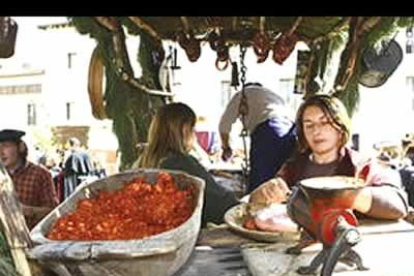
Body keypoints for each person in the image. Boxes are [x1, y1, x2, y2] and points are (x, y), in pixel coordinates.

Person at [250, 95, 408, 234]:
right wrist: (262, 193)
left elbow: (398, 205)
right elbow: (255, 205)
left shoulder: (362, 165)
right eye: (309, 125)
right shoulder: (293, 166)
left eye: (324, 122)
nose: (316, 131)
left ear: (341, 127)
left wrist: (344, 195)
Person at [136, 102, 239, 227]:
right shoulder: (181, 163)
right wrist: (245, 206)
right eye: (193, 130)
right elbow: (220, 206)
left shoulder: (143, 160)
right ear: (185, 130)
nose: (195, 136)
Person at [219, 82, 297, 193]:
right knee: (283, 183)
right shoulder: (273, 96)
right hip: (291, 131)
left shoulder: (243, 94)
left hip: (268, 131)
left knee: (260, 186)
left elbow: (224, 125)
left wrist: (226, 147)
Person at [0, 129, 58, 229]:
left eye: (6, 146)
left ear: (21, 147)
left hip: (29, 239)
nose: (0, 152)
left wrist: (27, 210)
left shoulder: (40, 174)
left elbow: (53, 212)